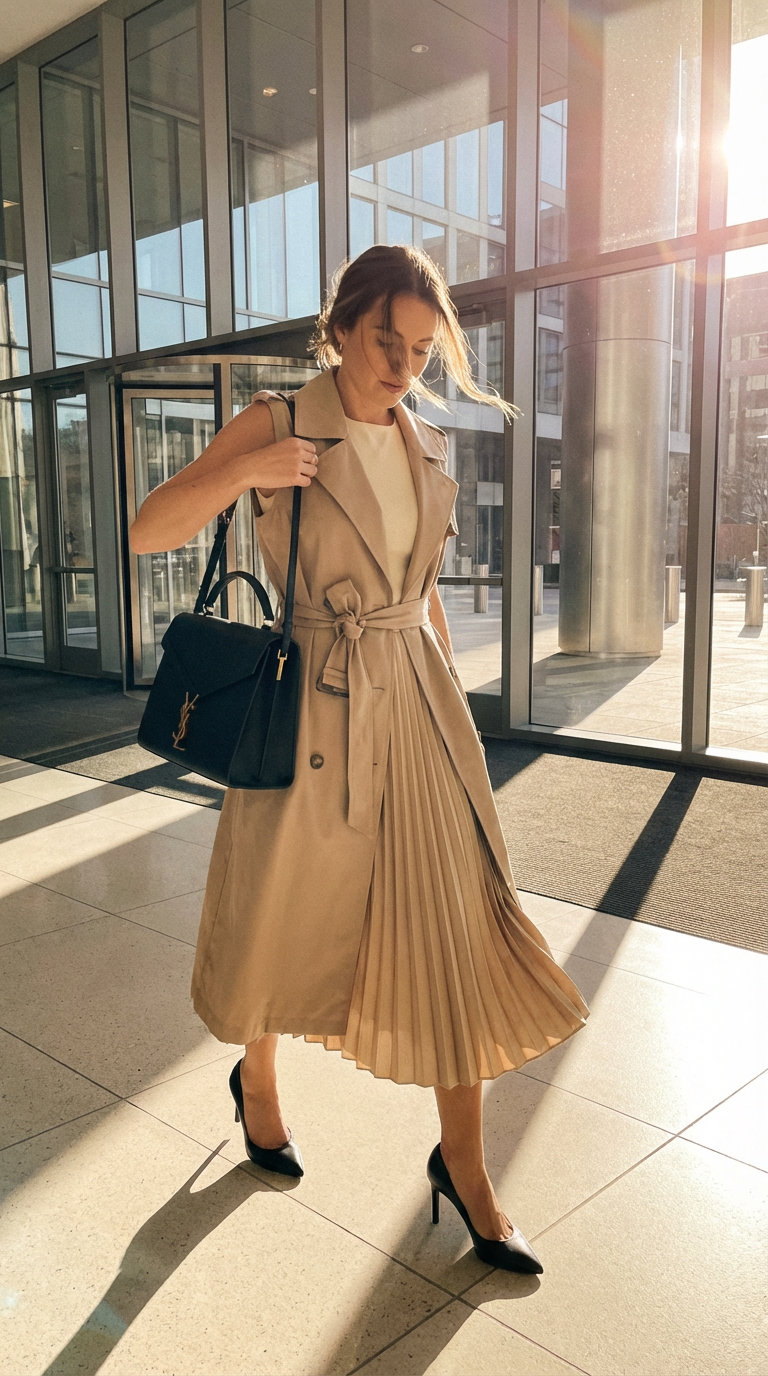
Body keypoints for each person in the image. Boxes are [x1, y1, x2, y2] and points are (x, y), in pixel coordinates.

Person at [130, 244, 588, 1275]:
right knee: (277, 918)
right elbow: (150, 525)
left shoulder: (428, 445)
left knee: (457, 933)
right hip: (311, 711)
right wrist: (247, 471)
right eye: (387, 340)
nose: (402, 365)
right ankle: (256, 1082)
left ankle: (465, 1166)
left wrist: (450, 705)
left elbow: (420, 589)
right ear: (339, 326)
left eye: (422, 350)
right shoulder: (279, 420)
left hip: (416, 709)